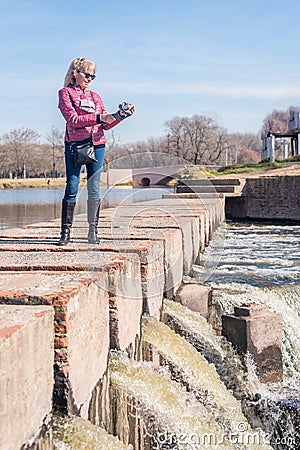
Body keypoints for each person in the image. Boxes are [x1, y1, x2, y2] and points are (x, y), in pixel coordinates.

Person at [57, 57, 134, 246]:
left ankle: (93, 232)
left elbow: (105, 125)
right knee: (72, 187)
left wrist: (120, 116)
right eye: (87, 74)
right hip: (75, 145)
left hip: (97, 144)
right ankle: (65, 233)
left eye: (93, 76)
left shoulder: (95, 96)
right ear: (75, 73)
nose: (90, 78)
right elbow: (73, 120)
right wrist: (100, 117)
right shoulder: (65, 93)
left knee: (94, 189)